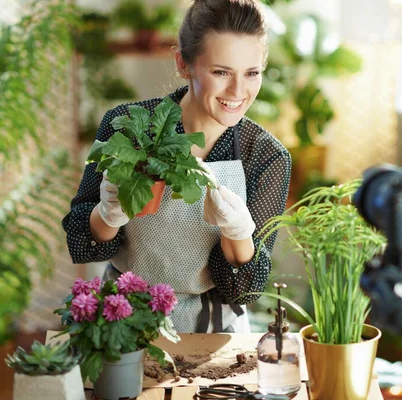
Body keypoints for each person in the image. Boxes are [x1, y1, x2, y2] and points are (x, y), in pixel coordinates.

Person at [62, 0, 291, 333]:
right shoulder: (128, 127)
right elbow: (80, 242)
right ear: (183, 64)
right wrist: (107, 213)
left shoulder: (266, 155)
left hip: (216, 337)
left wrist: (239, 235)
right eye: (221, 72)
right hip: (125, 324)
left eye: (251, 73)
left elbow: (245, 291)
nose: (238, 91)